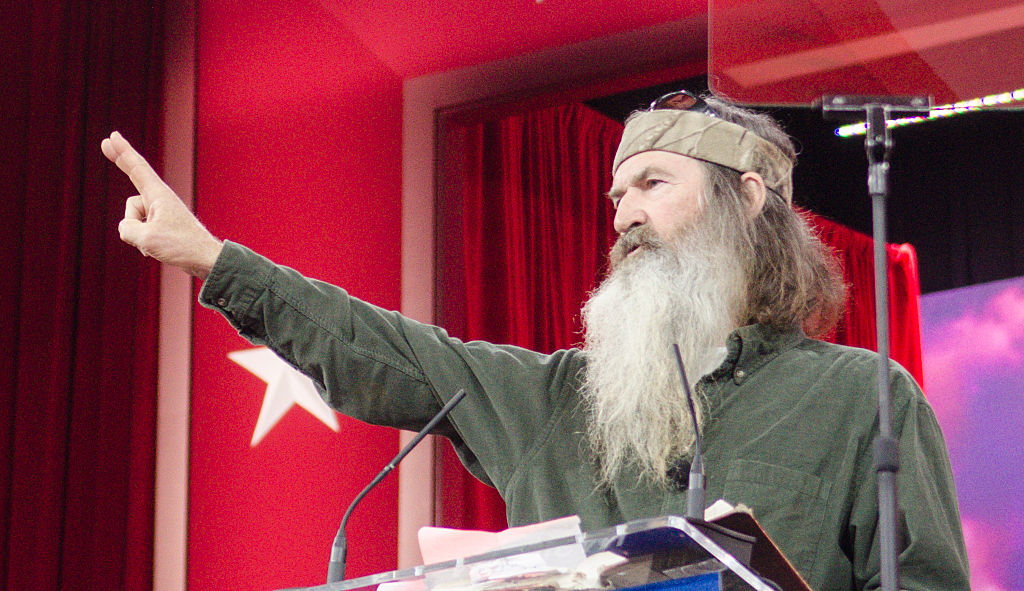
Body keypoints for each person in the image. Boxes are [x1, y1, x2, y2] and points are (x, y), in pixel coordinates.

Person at [101, 92, 969, 591]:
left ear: (746, 200)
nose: (623, 216)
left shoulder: (863, 397)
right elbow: (382, 351)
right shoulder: (555, 400)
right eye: (617, 195)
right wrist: (213, 260)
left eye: (653, 184)